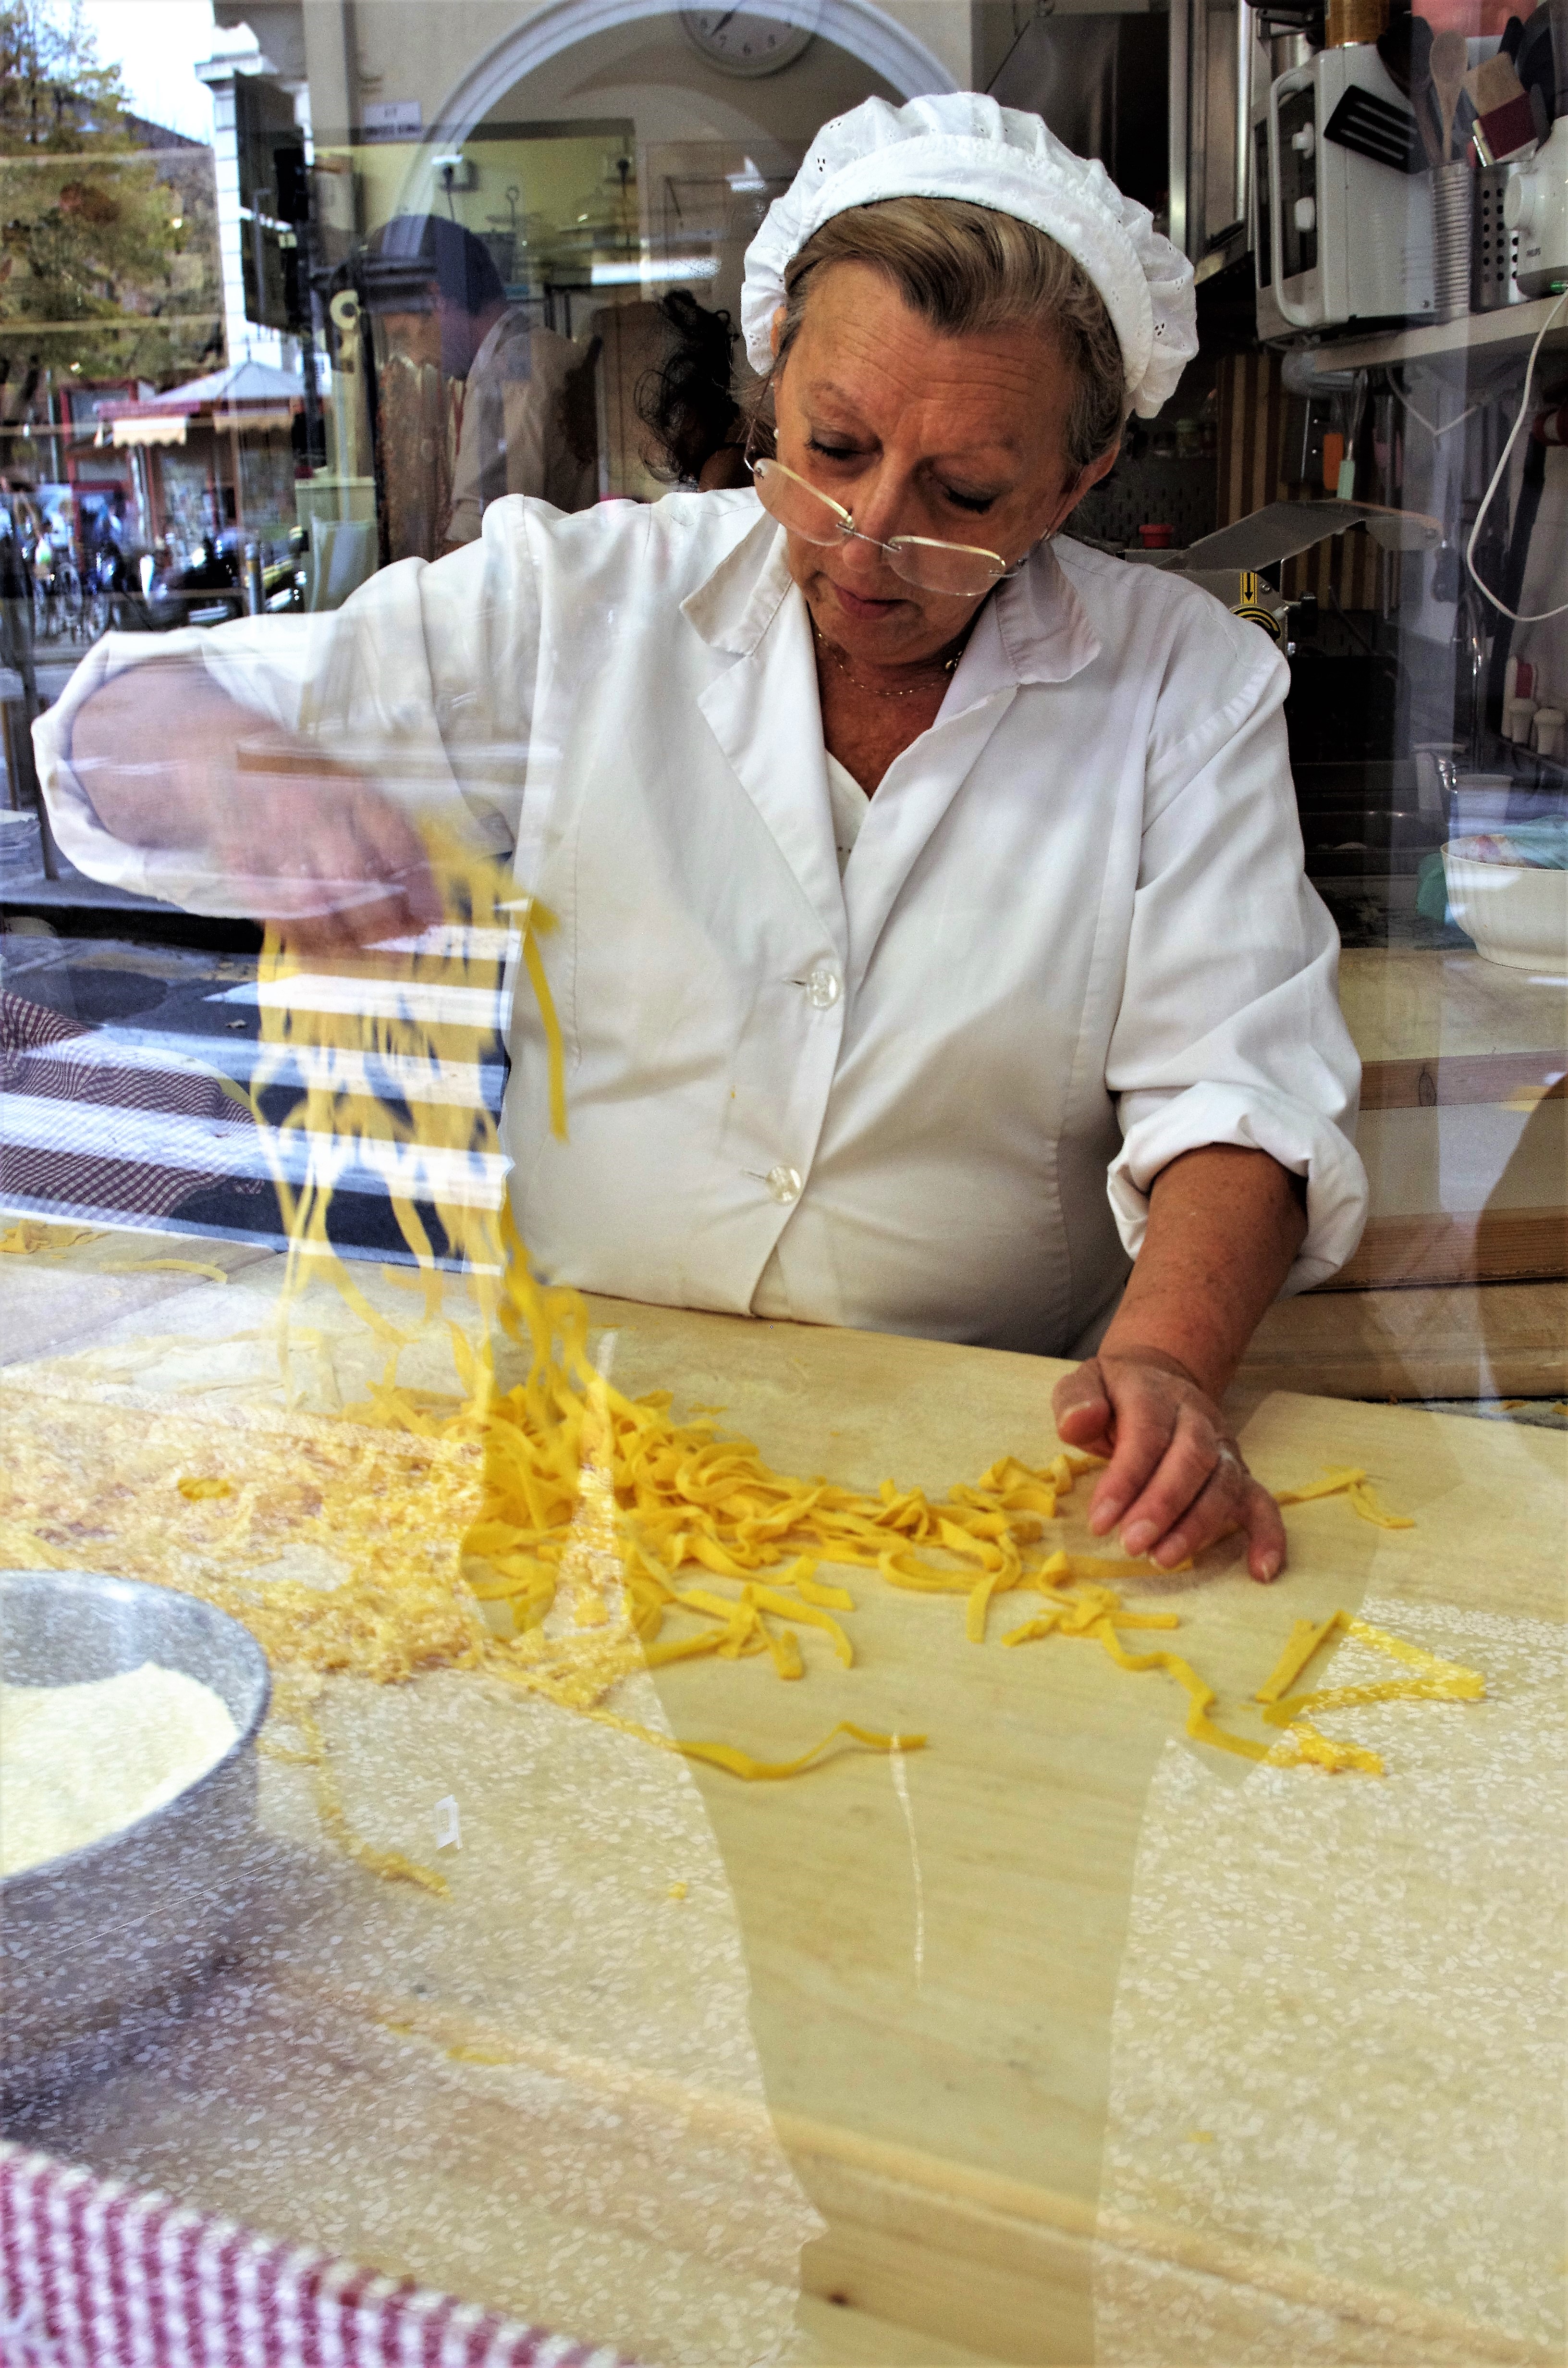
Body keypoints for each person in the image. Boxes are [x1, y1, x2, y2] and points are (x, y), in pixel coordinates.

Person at [35, 94, 1368, 1586]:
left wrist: (1169, 1367)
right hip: (584, 1440)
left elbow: (1233, 1088)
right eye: (832, 447)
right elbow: (142, 717)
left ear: (1081, 471)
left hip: (988, 1461)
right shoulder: (575, 605)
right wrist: (242, 774)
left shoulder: (1180, 687)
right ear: (770, 373)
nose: (866, 537)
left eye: (963, 493)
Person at [362, 214, 599, 548]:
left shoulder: (508, 373)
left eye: (405, 336)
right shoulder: (545, 351)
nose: (416, 360)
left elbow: (474, 548)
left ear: (434, 300)